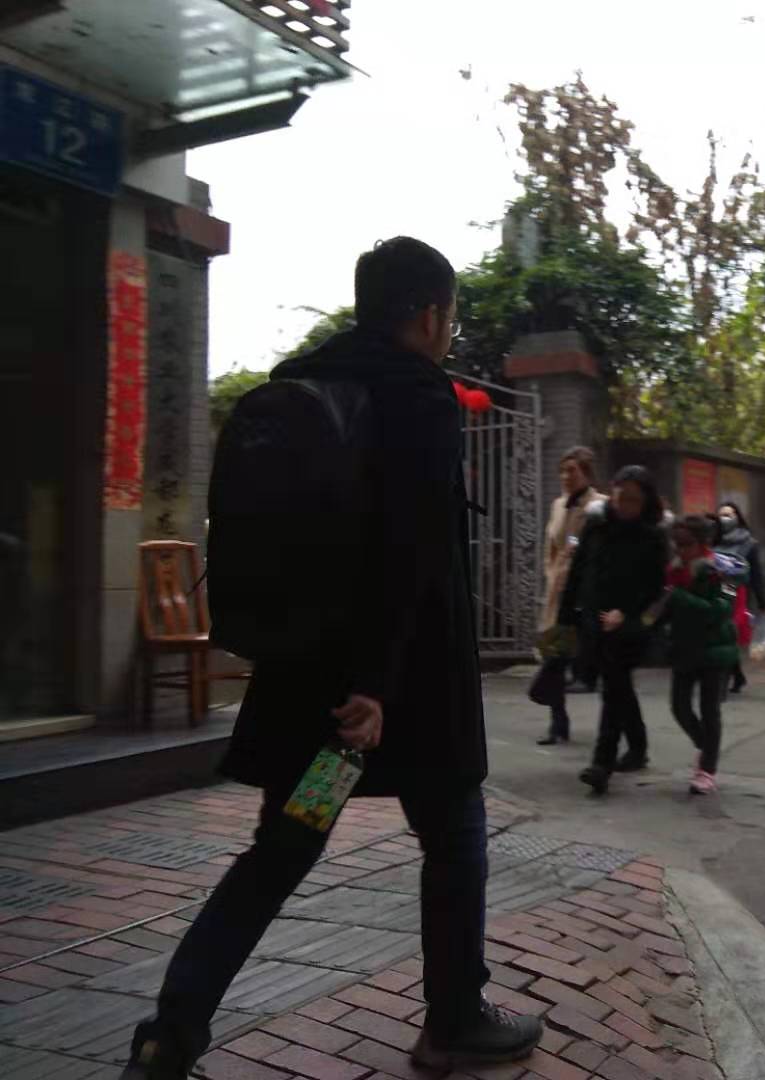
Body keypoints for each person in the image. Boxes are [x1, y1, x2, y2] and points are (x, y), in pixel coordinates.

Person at [121, 238, 542, 1080]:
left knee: (283, 849)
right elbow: (410, 550)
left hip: (309, 691)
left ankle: (171, 1033)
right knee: (454, 833)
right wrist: (374, 686)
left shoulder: (306, 383)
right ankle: (454, 1021)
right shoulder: (415, 395)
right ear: (431, 315)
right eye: (450, 318)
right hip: (391, 701)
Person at [560, 465, 668, 797]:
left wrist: (628, 612)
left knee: (614, 688)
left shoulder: (653, 536)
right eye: (621, 497)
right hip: (594, 618)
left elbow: (655, 586)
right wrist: (566, 616)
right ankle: (638, 746)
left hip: (628, 625)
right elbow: (578, 571)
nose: (625, 506)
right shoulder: (596, 524)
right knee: (617, 686)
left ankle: (601, 764)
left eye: (633, 500)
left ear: (646, 501)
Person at [665, 515, 740, 795]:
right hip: (684, 649)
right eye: (676, 543)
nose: (680, 549)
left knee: (710, 710)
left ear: (701, 542)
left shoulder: (723, 569)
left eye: (686, 543)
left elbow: (723, 609)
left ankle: (707, 769)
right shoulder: (673, 571)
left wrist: (682, 599)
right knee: (679, 706)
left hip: (714, 650)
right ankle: (705, 745)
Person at [536, 447, 607, 744]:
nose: (566, 476)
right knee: (553, 659)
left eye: (572, 471)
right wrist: (553, 575)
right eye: (562, 471)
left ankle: (615, 729)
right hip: (559, 595)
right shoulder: (557, 505)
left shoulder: (600, 505)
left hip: (587, 596)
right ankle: (557, 722)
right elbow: (550, 549)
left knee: (596, 663)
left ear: (587, 473)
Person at [714, 501, 765, 694]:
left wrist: (762, 601)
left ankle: (723, 679)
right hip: (714, 590)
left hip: (735, 591)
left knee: (729, 632)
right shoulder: (713, 539)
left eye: (729, 514)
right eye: (721, 515)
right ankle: (737, 675)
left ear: (738, 517)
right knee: (722, 634)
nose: (724, 518)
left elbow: (756, 574)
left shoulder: (749, 543)